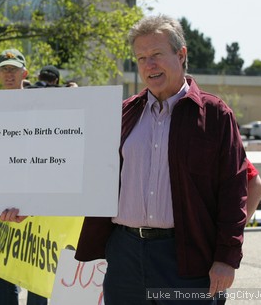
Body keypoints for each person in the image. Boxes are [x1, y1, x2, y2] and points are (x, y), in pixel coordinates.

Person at [74, 15, 248, 305]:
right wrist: (33, 204)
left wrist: (227, 258)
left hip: (188, 258)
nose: (148, 65)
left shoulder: (216, 116)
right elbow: (82, 173)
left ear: (181, 55)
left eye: (156, 54)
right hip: (124, 256)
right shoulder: (120, 115)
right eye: (141, 58)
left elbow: (235, 191)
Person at [0, 48, 48, 305]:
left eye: (13, 69)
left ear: (25, 72)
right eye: (4, 69)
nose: (9, 74)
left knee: (36, 269)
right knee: (1, 269)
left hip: (35, 201)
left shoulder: (42, 107)